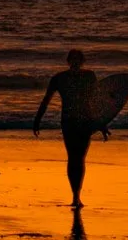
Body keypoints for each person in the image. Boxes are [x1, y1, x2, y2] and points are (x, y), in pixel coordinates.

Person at [32, 48, 101, 207]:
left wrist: (101, 123)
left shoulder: (90, 76)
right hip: (69, 121)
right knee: (73, 158)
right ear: (68, 61)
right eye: (73, 58)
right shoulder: (58, 78)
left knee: (80, 158)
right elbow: (46, 100)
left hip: (85, 120)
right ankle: (75, 195)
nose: (76, 61)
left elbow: (97, 102)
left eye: (78, 58)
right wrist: (37, 120)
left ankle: (77, 194)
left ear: (82, 61)